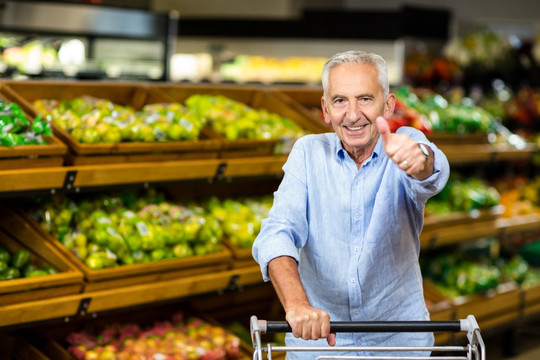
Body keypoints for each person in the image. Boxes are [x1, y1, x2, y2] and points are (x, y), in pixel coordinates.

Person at [252, 49, 450, 359]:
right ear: (326, 109)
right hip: (320, 348)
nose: (352, 114)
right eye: (340, 100)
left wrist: (419, 160)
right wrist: (297, 305)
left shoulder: (403, 145)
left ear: (388, 105)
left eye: (365, 99)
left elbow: (431, 169)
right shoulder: (308, 153)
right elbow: (278, 232)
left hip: (398, 346)